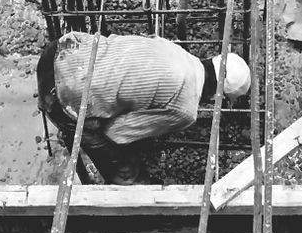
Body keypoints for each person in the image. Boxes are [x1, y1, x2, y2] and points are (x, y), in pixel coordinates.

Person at [37, 30, 251, 183]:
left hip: (64, 47)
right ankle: (121, 192)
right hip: (60, 94)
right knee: (126, 170)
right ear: (217, 97)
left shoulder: (176, 50)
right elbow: (116, 132)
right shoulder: (186, 111)